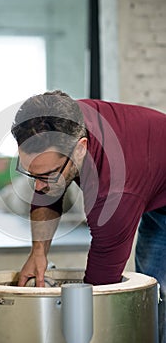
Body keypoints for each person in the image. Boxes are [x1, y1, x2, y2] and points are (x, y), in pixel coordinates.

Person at [11, 90, 166, 342]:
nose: (37, 187)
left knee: (158, 291)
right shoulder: (60, 118)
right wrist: (38, 252)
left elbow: (100, 289)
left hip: (145, 179)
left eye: (46, 174)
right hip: (152, 170)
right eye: (31, 173)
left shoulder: (114, 194)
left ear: (80, 148)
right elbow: (48, 190)